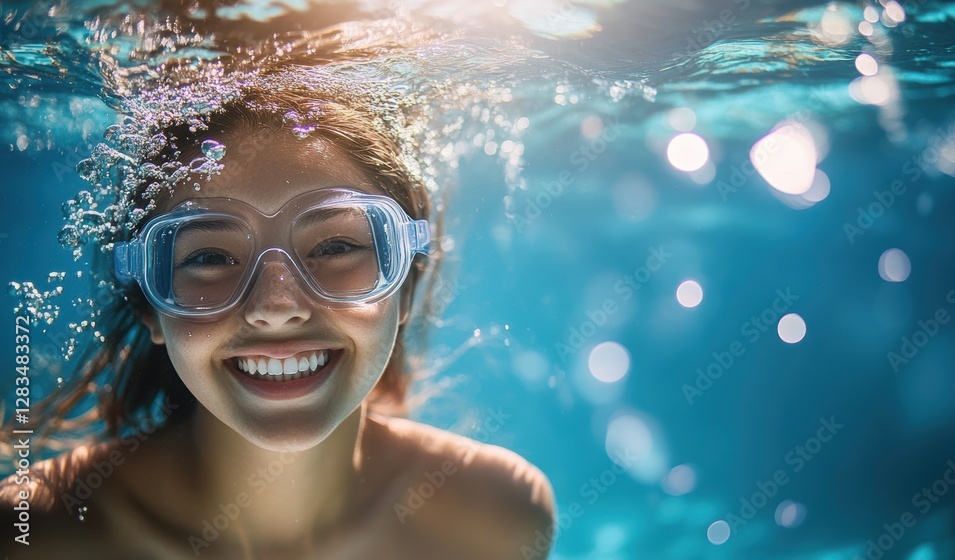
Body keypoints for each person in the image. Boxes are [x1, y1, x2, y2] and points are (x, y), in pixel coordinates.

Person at [0, 79, 555, 559]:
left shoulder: (498, 518)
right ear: (148, 302)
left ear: (405, 284)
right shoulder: (34, 535)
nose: (276, 305)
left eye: (336, 246)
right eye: (210, 257)